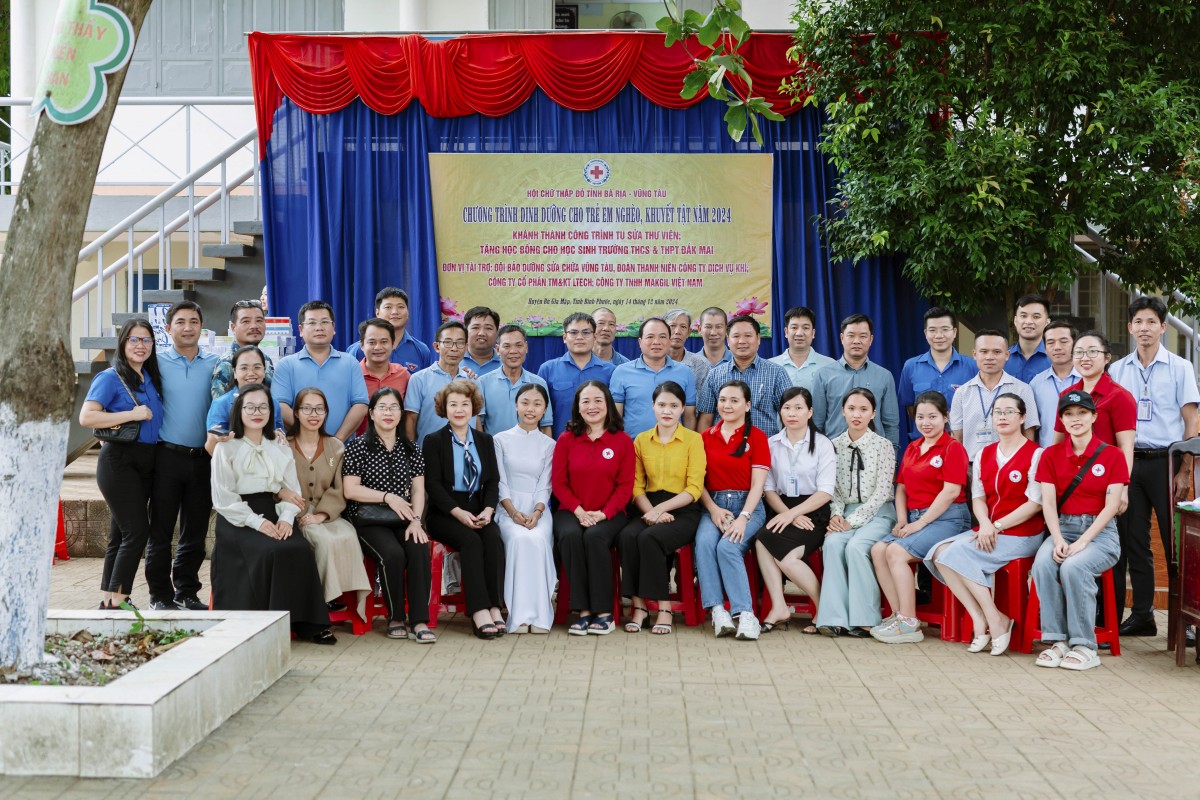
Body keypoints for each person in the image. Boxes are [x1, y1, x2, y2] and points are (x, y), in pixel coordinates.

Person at [209, 384, 335, 644]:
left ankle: (306, 623)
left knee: (298, 548)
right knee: (271, 550)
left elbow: (291, 488)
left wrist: (287, 519)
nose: (257, 412)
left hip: (274, 509)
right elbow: (223, 497)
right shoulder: (226, 447)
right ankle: (263, 623)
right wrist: (257, 522)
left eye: (263, 406)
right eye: (250, 407)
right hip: (238, 517)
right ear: (239, 411)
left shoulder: (278, 444)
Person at [927, 393, 1046, 655]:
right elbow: (978, 497)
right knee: (938, 553)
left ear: (1023, 417)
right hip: (988, 528)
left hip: (1022, 533)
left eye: (1009, 412)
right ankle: (983, 618)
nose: (1002, 417)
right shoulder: (983, 454)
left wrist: (997, 526)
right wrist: (985, 523)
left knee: (955, 553)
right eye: (997, 412)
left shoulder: (1036, 454)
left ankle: (995, 620)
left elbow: (1035, 504)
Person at [1110, 296, 1200, 636]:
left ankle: (1186, 620)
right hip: (1129, 463)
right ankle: (1143, 615)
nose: (1144, 328)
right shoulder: (1118, 370)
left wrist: (1184, 470)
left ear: (1163, 327)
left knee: (1176, 544)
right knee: (1134, 542)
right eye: (1138, 322)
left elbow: (1191, 423)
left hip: (1167, 462)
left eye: (1151, 322)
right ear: (1130, 327)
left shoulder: (1180, 367)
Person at [1032, 390, 1129, 670]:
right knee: (1043, 564)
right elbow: (1048, 504)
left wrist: (1084, 542)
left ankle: (1085, 645)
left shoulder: (1112, 455)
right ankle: (1057, 640)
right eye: (1069, 415)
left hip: (1101, 534)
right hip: (1062, 527)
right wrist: (1059, 539)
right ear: (1061, 420)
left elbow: (1112, 506)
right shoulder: (1050, 455)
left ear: (1093, 416)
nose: (1076, 419)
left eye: (1082, 413)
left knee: (1074, 568)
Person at [869, 391, 971, 644]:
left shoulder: (952, 447)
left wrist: (919, 524)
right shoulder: (913, 447)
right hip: (915, 517)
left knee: (896, 553)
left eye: (933, 416)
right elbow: (901, 486)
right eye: (921, 417)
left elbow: (950, 492)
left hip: (948, 519)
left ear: (946, 417)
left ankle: (910, 623)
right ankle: (898, 615)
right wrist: (902, 520)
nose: (926, 422)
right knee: (879, 550)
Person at [80, 318, 164, 610]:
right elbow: (87, 417)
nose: (140, 346)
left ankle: (108, 600)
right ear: (123, 343)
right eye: (134, 339)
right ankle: (120, 600)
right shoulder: (110, 377)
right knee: (137, 531)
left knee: (120, 534)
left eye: (146, 340)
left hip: (147, 460)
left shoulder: (149, 377)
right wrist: (131, 414)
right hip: (119, 460)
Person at [342, 387, 436, 643]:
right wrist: (387, 496)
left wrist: (416, 521)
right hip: (368, 520)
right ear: (371, 414)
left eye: (394, 407)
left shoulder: (412, 448)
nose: (388, 412)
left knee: (418, 548)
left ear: (401, 413)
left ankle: (419, 620)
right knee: (392, 554)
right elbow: (350, 490)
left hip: (404, 518)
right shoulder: (358, 447)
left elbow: (418, 490)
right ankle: (395, 618)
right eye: (382, 407)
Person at [147, 301, 219, 611]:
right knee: (160, 530)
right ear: (168, 328)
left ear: (202, 327)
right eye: (180, 322)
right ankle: (159, 595)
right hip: (166, 457)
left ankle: (187, 591)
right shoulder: (156, 363)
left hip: (203, 458)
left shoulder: (216, 363)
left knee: (196, 531)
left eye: (193, 321)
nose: (187, 327)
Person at [618, 381, 706, 635]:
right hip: (647, 506)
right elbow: (636, 486)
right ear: (653, 407)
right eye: (662, 405)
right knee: (626, 536)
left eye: (674, 405)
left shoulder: (693, 440)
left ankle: (664, 607)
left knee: (650, 538)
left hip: (683, 509)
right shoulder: (642, 440)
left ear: (682, 409)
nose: (667, 411)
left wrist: (661, 510)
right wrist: (650, 511)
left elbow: (694, 489)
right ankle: (639, 606)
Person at [422, 380, 507, 639]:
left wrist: (489, 510)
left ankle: (494, 605)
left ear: (474, 408)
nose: (459, 410)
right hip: (445, 512)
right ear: (444, 409)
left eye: (465, 404)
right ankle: (478, 609)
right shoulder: (433, 440)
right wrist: (457, 512)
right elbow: (433, 485)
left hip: (479, 509)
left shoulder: (484, 440)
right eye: (453, 404)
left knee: (492, 537)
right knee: (471, 541)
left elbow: (492, 480)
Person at [552, 380, 635, 635]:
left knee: (596, 537)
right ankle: (582, 610)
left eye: (598, 400)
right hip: (571, 511)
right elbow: (559, 483)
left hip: (609, 513)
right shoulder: (566, 440)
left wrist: (602, 514)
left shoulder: (622, 441)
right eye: (585, 401)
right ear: (577, 407)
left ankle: (604, 612)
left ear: (608, 405)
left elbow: (625, 487)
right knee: (570, 536)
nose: (592, 406)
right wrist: (578, 511)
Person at [813, 388, 898, 637]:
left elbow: (883, 491)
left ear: (873, 413)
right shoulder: (834, 446)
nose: (856, 414)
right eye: (851, 409)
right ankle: (835, 618)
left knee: (856, 547)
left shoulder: (884, 446)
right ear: (842, 411)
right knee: (832, 544)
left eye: (863, 409)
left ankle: (866, 618)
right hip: (844, 514)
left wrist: (853, 521)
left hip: (878, 513)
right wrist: (837, 515)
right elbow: (833, 488)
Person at [285, 386, 372, 618]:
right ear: (296, 412)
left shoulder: (336, 447)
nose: (313, 414)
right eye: (307, 409)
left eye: (319, 409)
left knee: (347, 535)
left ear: (326, 413)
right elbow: (279, 485)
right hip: (293, 514)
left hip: (328, 514)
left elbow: (339, 488)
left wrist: (321, 515)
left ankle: (343, 595)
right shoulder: (284, 445)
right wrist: (302, 513)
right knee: (321, 540)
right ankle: (323, 598)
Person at [755, 387, 836, 634]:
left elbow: (825, 492)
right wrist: (787, 514)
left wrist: (794, 515)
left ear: (810, 412)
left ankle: (824, 609)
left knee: (789, 559)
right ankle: (779, 606)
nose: (792, 413)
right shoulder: (771, 443)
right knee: (761, 540)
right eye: (787, 408)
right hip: (781, 507)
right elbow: (768, 489)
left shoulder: (822, 444)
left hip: (814, 511)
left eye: (798, 408)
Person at [696, 380, 771, 641]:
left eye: (734, 400)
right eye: (723, 399)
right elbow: (698, 482)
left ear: (747, 405)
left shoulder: (758, 438)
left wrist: (743, 518)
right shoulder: (705, 437)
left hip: (747, 507)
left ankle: (745, 615)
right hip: (713, 504)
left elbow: (758, 486)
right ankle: (718, 612)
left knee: (727, 546)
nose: (727, 405)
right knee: (705, 543)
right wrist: (713, 509)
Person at [494, 383, 557, 633]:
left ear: (544, 409)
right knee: (519, 540)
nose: (530, 409)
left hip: (537, 509)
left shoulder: (549, 444)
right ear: (516, 406)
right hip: (507, 508)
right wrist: (512, 512)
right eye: (525, 403)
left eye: (537, 404)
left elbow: (545, 484)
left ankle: (540, 615)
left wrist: (537, 512)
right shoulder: (500, 440)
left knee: (538, 539)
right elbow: (500, 481)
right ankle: (518, 615)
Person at [272, 301, 369, 439]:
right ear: (300, 330)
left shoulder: (350, 363)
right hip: (299, 451)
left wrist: (335, 443)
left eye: (325, 322)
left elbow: (360, 404)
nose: (319, 328)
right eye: (311, 323)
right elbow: (280, 405)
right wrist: (308, 438)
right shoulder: (286, 365)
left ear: (333, 327)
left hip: (342, 450)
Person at [813, 313, 901, 451]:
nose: (856, 341)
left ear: (871, 339)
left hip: (875, 455)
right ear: (842, 338)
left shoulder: (884, 376)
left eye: (863, 336)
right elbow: (817, 423)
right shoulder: (823, 375)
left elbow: (891, 424)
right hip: (833, 452)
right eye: (851, 335)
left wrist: (892, 458)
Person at [949, 329, 1039, 463]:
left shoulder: (1022, 390)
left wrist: (1025, 463)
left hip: (1012, 465)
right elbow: (957, 436)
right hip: (971, 467)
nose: (989, 357)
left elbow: (1028, 432)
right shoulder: (962, 393)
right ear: (974, 354)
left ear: (1007, 355)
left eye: (997, 352)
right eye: (984, 351)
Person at [1053, 331, 1136, 469]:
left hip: (1105, 474)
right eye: (1079, 352)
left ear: (1107, 357)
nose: (1085, 358)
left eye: (1092, 352)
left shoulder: (1120, 396)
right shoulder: (1066, 395)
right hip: (1069, 476)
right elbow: (1057, 443)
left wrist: (1122, 487)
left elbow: (1126, 446)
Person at [697, 316, 791, 435]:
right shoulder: (715, 374)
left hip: (766, 449)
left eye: (748, 336)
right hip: (723, 450)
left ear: (758, 339)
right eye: (736, 336)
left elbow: (789, 413)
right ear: (728, 341)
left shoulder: (777, 373)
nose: (742, 341)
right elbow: (705, 418)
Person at [897, 307, 978, 445]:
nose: (939, 335)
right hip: (923, 444)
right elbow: (910, 407)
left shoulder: (973, 366)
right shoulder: (911, 366)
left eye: (945, 329)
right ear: (925, 333)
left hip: (961, 444)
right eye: (933, 330)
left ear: (954, 332)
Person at [610, 317, 697, 437]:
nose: (656, 342)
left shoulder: (685, 372)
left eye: (662, 337)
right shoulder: (622, 372)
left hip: (674, 448)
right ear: (640, 342)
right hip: (633, 447)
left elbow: (689, 416)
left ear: (669, 340)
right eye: (650, 337)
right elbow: (615, 416)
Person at [536, 313, 616, 437]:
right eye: (573, 332)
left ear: (594, 337)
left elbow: (614, 412)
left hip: (599, 444)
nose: (580, 337)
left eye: (586, 332)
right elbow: (540, 412)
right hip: (559, 444)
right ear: (564, 337)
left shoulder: (610, 371)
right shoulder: (548, 369)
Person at [404, 321, 475, 446]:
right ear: (437, 346)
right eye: (447, 342)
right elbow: (410, 421)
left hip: (466, 455)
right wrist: (413, 456)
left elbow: (477, 420)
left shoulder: (472, 381)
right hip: (429, 455)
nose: (454, 348)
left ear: (466, 347)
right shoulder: (419, 379)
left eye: (459, 343)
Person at [206, 346, 285, 453]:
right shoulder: (222, 404)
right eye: (244, 368)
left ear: (264, 370)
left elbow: (280, 438)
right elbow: (212, 449)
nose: (251, 373)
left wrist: (279, 436)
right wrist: (215, 438)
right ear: (234, 372)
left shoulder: (273, 402)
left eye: (257, 367)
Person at [477, 325, 553, 436]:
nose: (513, 351)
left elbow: (545, 425)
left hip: (530, 450)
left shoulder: (539, 383)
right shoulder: (483, 382)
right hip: (494, 451)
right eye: (507, 346)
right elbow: (479, 424)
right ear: (498, 349)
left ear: (526, 348)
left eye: (518, 345)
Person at [346, 287, 432, 374]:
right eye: (388, 307)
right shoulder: (358, 350)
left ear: (408, 312)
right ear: (377, 312)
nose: (395, 312)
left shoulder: (421, 350)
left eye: (401, 307)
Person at [356, 317, 411, 435]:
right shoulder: (353, 375)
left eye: (384, 342)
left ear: (393, 344)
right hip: (358, 448)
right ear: (361, 345)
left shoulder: (403, 375)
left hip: (395, 447)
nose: (378, 347)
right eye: (372, 342)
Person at [1029, 321, 1080, 447]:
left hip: (1084, 457)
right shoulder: (1036, 383)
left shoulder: (1087, 379)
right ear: (1045, 348)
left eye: (1064, 341)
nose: (1057, 347)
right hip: (1048, 455)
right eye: (1050, 342)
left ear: (1075, 345)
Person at [210, 299, 274, 399]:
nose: (254, 326)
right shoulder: (226, 364)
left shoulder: (266, 360)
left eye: (259, 320)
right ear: (233, 327)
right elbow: (219, 408)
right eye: (246, 321)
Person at [768, 306, 835, 392]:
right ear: (786, 332)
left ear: (813, 333)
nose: (799, 333)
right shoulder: (770, 366)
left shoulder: (830, 365)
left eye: (805, 328)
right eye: (794, 327)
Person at [1008, 294, 1053, 383]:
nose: (1028, 321)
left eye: (1036, 317)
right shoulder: (1002, 358)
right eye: (1023, 316)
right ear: (1015, 320)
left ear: (1047, 322)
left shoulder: (1055, 359)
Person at [664, 308, 711, 392]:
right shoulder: (653, 362)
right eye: (672, 326)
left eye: (683, 327)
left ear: (688, 332)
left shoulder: (701, 364)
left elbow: (705, 401)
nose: (677, 331)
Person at [462, 306, 502, 376]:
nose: (481, 333)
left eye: (488, 328)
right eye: (475, 327)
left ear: (497, 333)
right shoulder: (454, 360)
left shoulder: (506, 364)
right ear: (465, 331)